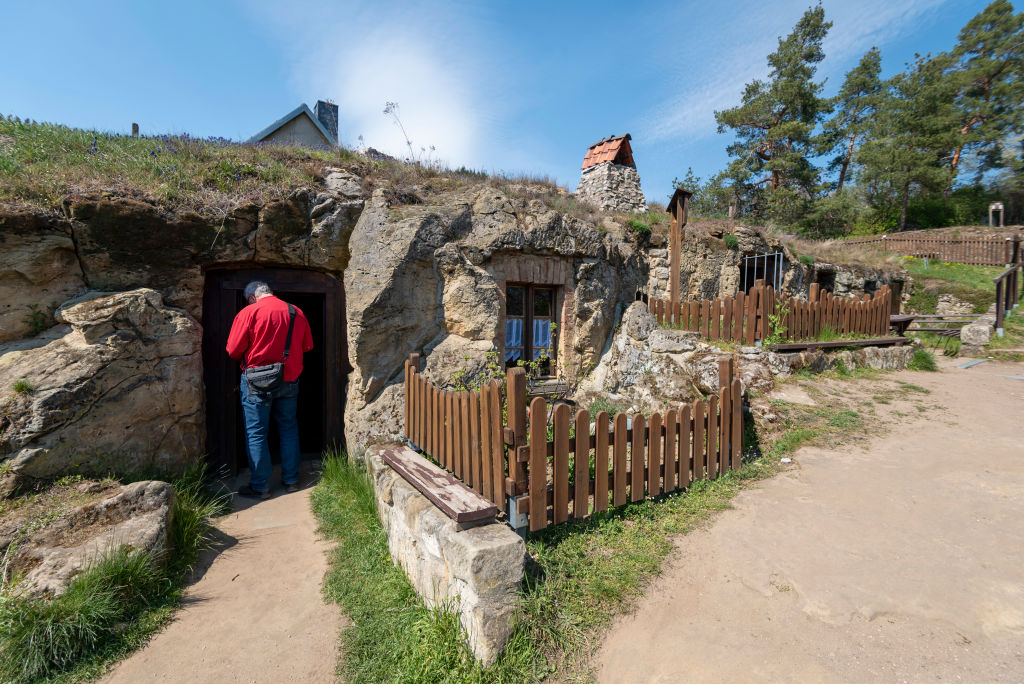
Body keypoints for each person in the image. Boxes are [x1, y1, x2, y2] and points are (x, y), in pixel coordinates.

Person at [226, 281, 313, 499]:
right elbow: (307, 346)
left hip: (256, 382)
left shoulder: (248, 312)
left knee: (256, 433)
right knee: (289, 428)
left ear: (251, 297)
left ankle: (260, 486)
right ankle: (291, 481)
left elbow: (233, 351)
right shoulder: (296, 312)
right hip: (290, 378)